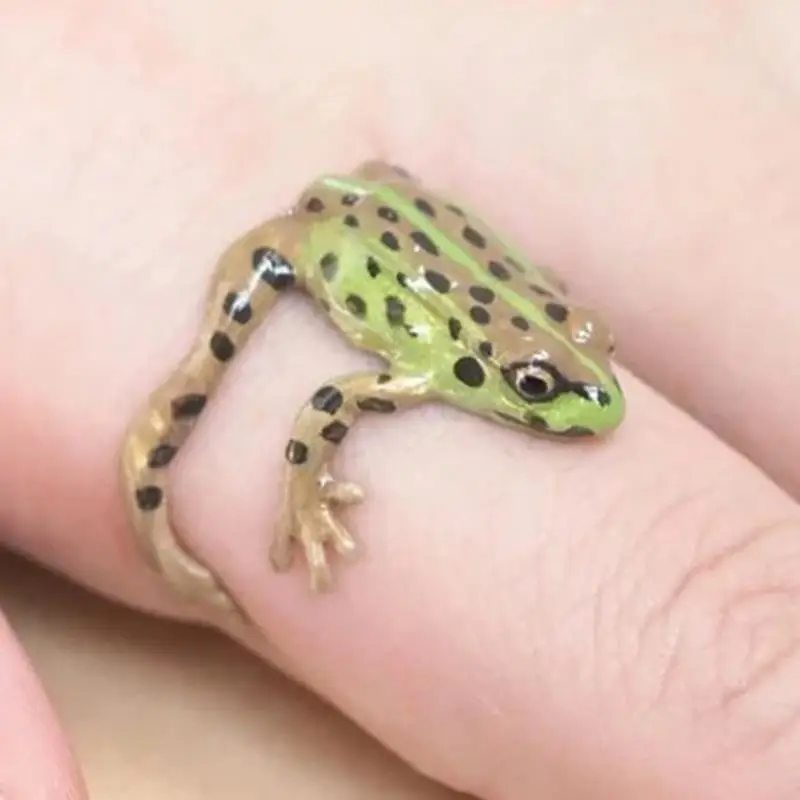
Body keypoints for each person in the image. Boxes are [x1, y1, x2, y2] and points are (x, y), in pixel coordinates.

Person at [2, 2, 800, 797]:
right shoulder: (427, 367)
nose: (589, 401)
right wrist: (303, 498)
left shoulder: (507, 337)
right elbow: (324, 405)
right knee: (203, 372)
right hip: (307, 242)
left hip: (398, 208)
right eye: (534, 388)